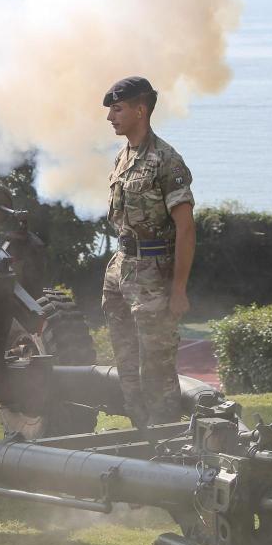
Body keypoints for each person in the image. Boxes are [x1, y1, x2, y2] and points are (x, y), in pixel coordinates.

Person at [101, 76, 196, 430]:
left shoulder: (166, 160)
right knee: (128, 369)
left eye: (118, 108)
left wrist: (179, 289)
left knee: (156, 372)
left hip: (153, 275)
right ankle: (144, 443)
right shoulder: (123, 156)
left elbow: (186, 228)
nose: (111, 116)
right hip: (121, 269)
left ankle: (170, 451)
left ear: (141, 110)